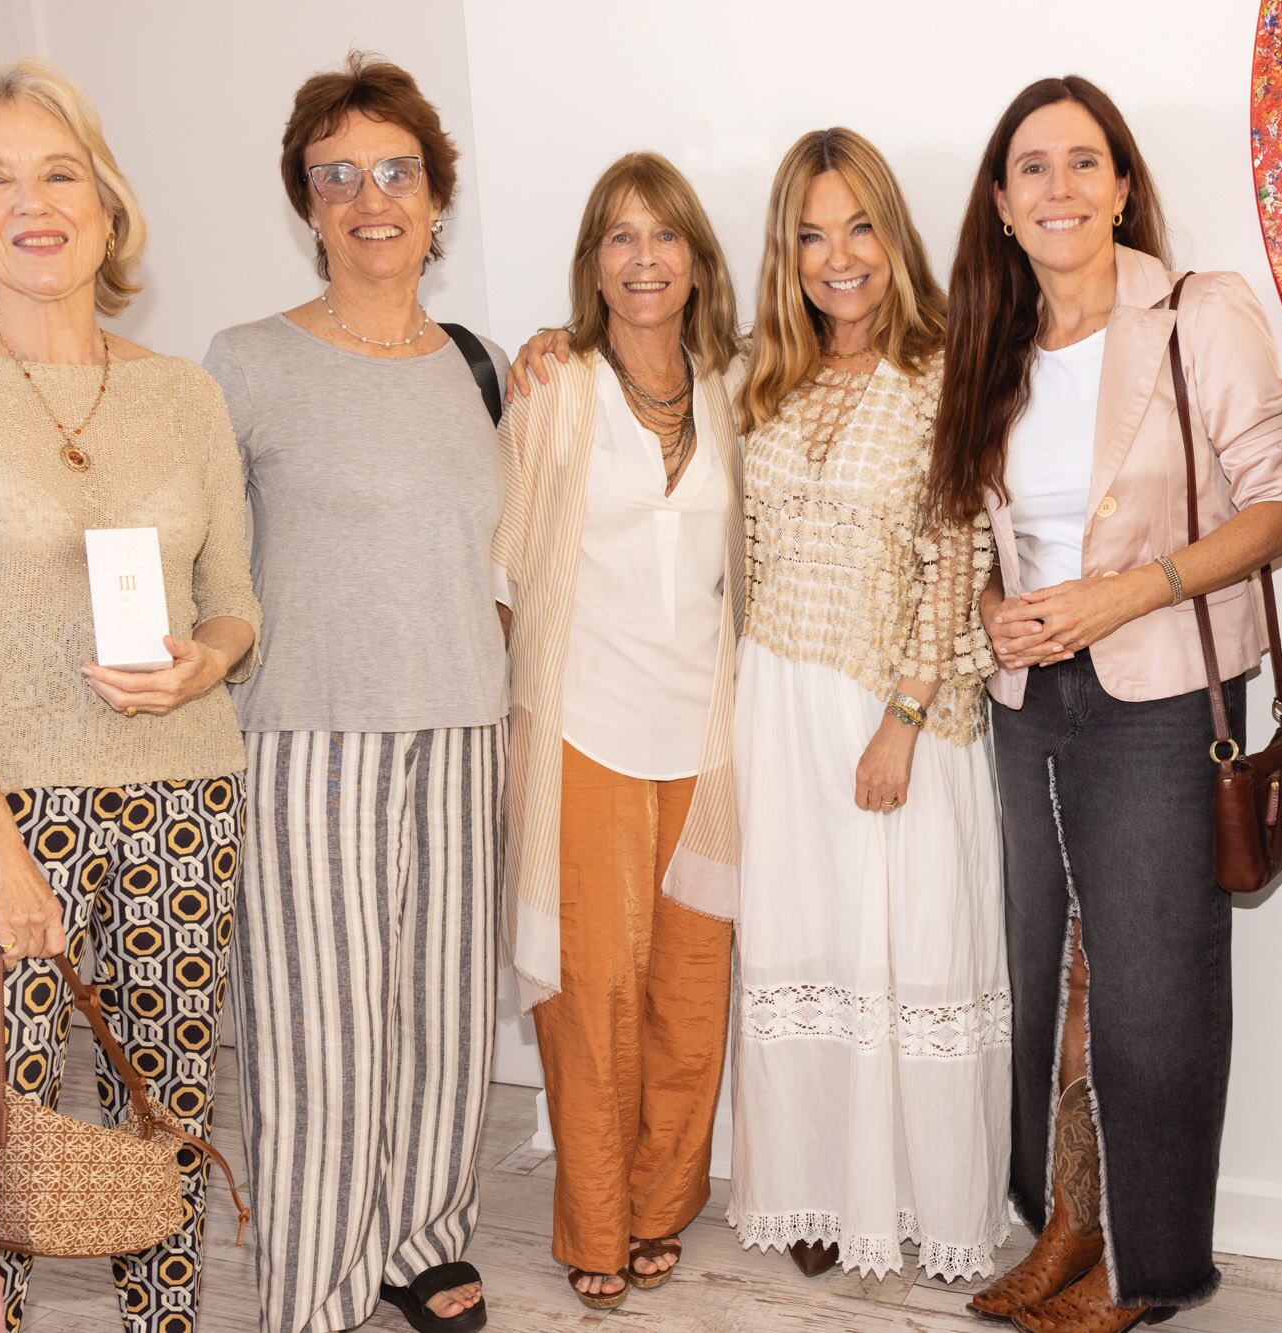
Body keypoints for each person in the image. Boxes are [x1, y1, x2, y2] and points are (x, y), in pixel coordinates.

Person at [0, 59, 258, 1333]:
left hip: (181, 792)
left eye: (58, 170)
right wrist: (0, 850)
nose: (32, 203)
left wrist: (208, 657)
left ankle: (165, 1321)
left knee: (167, 1108)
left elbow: (237, 598)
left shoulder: (185, 391)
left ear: (107, 201)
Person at [929, 77, 1282, 1333]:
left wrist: (1125, 593)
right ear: (997, 203)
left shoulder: (1194, 314)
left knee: (1151, 982)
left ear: (1123, 184)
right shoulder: (987, 342)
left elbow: (1279, 501)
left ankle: (1151, 1268)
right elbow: (992, 530)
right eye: (1030, 168)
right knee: (1049, 974)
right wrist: (1000, 608)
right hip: (1025, 696)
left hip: (1159, 698)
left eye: (1081, 162)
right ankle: (1064, 1227)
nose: (1058, 188)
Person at [201, 52, 506, 1333]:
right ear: (306, 204)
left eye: (396, 171)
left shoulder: (483, 364)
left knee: (443, 1012)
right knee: (322, 1036)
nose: (369, 197)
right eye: (337, 176)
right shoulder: (245, 360)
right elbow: (203, 555)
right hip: (309, 735)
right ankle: (315, 1280)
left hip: (464, 723)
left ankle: (419, 1233)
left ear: (436, 198)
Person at [722, 128, 1010, 1284]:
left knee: (906, 942)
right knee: (804, 941)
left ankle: (917, 1197)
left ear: (892, 234)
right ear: (784, 253)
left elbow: (957, 554)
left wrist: (903, 712)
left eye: (857, 228)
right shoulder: (761, 377)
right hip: (776, 701)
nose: (836, 257)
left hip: (899, 710)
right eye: (808, 235)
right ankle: (812, 1187)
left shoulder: (949, 366)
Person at [492, 151, 743, 1311]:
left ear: (695, 260)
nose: (643, 260)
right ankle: (594, 1221)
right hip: (582, 723)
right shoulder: (551, 387)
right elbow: (502, 567)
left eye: (664, 237)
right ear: (593, 263)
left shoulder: (737, 387)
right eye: (618, 238)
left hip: (705, 731)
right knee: (591, 990)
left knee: (690, 990)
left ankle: (658, 1207)